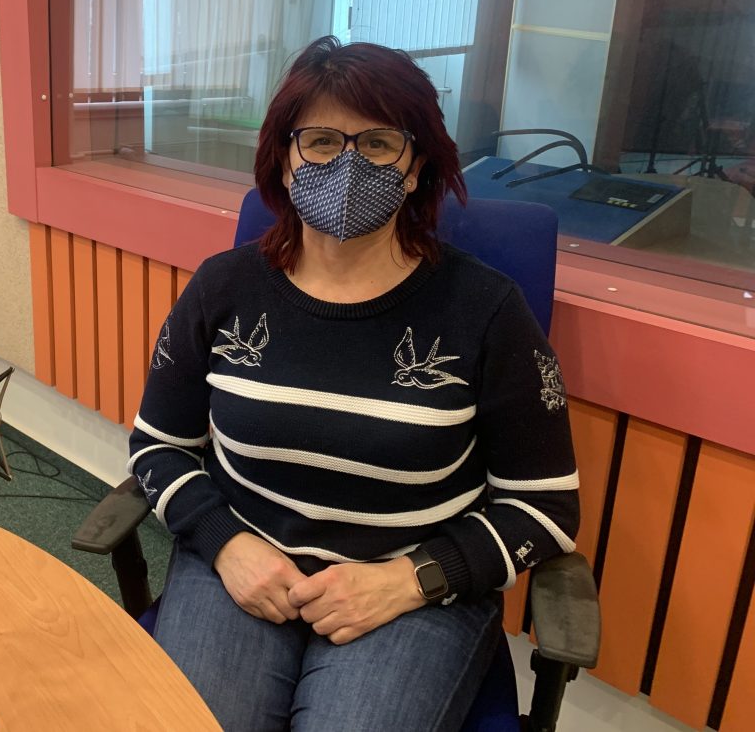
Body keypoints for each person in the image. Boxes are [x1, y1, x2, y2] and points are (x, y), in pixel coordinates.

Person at [128, 36, 580, 731]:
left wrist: (413, 579)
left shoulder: (487, 311)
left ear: (415, 166)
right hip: (244, 561)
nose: (346, 164)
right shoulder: (223, 287)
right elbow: (157, 447)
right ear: (284, 159)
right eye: (319, 141)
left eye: (376, 143)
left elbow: (545, 508)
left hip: (410, 589)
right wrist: (224, 542)